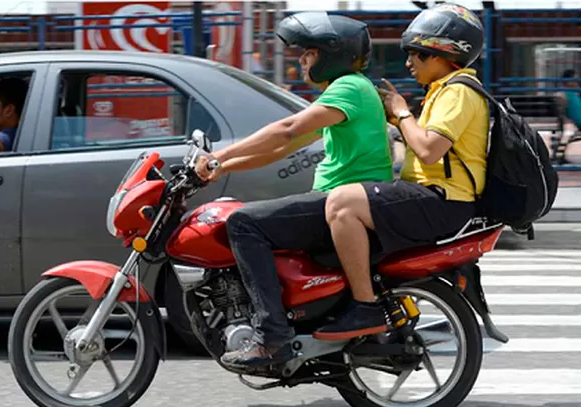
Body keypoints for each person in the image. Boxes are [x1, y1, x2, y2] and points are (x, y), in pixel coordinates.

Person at [194, 11, 393, 368]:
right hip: (341, 201)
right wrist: (220, 167)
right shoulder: (344, 95)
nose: (301, 60)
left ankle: (271, 338)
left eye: (309, 53)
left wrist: (218, 154)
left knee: (242, 223)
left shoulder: (349, 87)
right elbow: (282, 148)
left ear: (333, 54)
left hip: (342, 202)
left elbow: (287, 128)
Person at [317, 3, 490, 340]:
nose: (409, 63)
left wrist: (402, 112)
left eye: (416, 54)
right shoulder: (444, 91)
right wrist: (398, 116)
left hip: (442, 201)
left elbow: (428, 151)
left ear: (441, 54)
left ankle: (364, 307)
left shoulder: (458, 92)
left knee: (342, 203)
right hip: (435, 197)